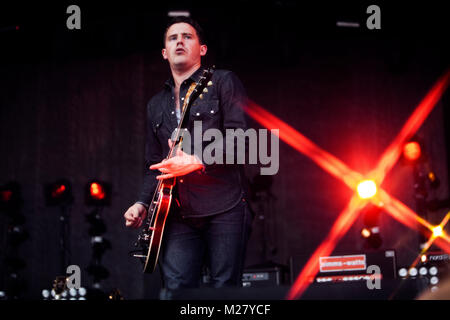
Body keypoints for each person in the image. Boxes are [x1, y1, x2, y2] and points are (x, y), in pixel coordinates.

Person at [123, 16, 253, 290]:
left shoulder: (223, 82)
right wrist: (142, 204)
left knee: (225, 287)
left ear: (202, 49)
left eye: (187, 36)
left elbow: (242, 140)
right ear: (164, 53)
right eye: (173, 38)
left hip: (225, 206)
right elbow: (154, 164)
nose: (179, 41)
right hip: (177, 214)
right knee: (176, 287)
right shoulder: (155, 105)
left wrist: (197, 160)